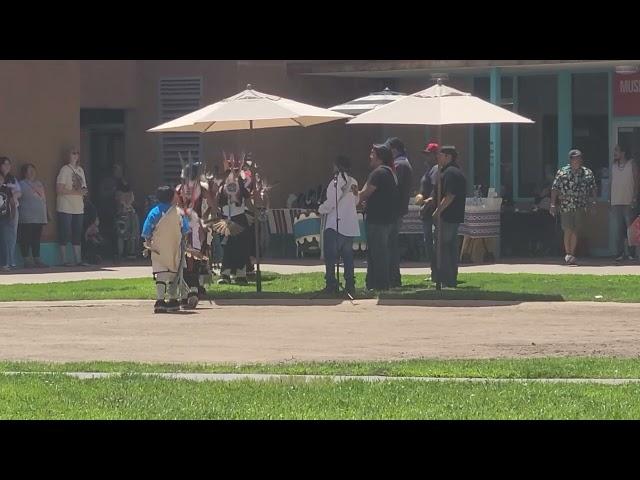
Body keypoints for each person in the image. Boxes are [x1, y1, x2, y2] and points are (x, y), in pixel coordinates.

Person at [142, 185, 190, 313]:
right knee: (174, 275)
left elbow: (147, 230)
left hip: (158, 248)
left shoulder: (154, 212)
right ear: (172, 197)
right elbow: (185, 229)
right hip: (175, 248)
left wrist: (147, 242)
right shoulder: (179, 212)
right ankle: (173, 300)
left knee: (161, 275)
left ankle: (160, 301)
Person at [357, 144, 399, 291]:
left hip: (377, 220)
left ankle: (380, 285)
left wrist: (352, 195)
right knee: (381, 252)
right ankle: (374, 284)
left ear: (380, 157)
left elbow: (364, 193)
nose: (370, 156)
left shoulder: (378, 173)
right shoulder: (390, 173)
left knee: (377, 254)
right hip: (388, 219)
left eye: (372, 153)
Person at [318, 155, 359, 296]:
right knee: (348, 258)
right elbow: (356, 201)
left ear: (337, 166)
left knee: (331, 258)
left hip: (335, 225)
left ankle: (331, 284)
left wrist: (320, 209)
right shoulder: (354, 182)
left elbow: (331, 203)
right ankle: (350, 285)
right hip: (350, 224)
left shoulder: (335, 182)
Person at [427, 146, 467, 288]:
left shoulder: (450, 173)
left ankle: (446, 279)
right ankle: (449, 279)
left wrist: (437, 211)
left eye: (440, 154)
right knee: (449, 248)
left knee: (442, 247)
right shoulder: (454, 171)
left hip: (447, 216)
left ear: (448, 156)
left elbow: (450, 196)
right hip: (452, 217)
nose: (437, 157)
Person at [550, 149, 597, 266]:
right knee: (568, 229)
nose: (578, 160)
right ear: (571, 160)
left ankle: (572, 254)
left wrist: (594, 202)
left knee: (576, 229)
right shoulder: (562, 172)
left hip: (580, 205)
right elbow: (554, 188)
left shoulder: (587, 172)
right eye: (576, 158)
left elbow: (593, 188)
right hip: (566, 205)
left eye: (580, 158)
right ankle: (568, 254)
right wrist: (552, 204)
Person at [217, 152, 251, 285]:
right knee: (227, 247)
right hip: (226, 219)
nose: (233, 173)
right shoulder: (221, 188)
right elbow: (216, 203)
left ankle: (241, 273)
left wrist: (256, 213)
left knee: (241, 247)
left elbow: (248, 203)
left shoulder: (242, 188)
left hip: (240, 218)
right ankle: (225, 273)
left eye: (236, 171)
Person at [385, 137, 413, 288]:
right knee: (391, 245)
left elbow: (393, 187)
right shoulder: (402, 163)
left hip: (394, 211)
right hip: (397, 210)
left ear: (394, 149)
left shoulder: (400, 165)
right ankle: (392, 278)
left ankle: (393, 278)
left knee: (390, 246)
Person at [56, 147, 89, 266]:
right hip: (65, 206)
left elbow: (83, 187)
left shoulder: (80, 170)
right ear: (68, 155)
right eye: (73, 153)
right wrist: (77, 193)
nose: (75, 155)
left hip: (78, 207)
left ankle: (78, 260)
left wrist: (84, 192)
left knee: (77, 233)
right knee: (64, 233)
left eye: (77, 153)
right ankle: (64, 260)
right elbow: (59, 189)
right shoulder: (64, 170)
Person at [610, 143, 639, 262]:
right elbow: (612, 183)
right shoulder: (613, 166)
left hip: (628, 201)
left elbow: (637, 181)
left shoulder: (632, 164)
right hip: (616, 201)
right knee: (618, 229)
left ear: (623, 153)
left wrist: (635, 197)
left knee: (630, 229)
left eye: (617, 150)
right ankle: (619, 253)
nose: (615, 152)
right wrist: (609, 200)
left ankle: (631, 253)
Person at [18, 163, 49, 268]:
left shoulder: (39, 183)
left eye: (33, 170)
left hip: (39, 217)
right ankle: (26, 259)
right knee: (26, 238)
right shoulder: (21, 184)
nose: (31, 173)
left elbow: (43, 199)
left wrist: (46, 214)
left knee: (36, 239)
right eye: (29, 170)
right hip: (26, 217)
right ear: (25, 173)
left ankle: (37, 259)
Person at [416, 143, 439, 274]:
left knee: (432, 243)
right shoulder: (428, 170)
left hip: (432, 212)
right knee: (428, 242)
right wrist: (420, 195)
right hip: (426, 211)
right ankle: (433, 271)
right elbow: (424, 189)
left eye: (428, 154)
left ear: (436, 155)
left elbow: (435, 191)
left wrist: (426, 202)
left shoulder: (436, 169)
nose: (426, 157)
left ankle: (436, 271)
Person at [0, 157, 21, 270]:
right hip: (2, 210)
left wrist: (14, 196)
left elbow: (19, 192)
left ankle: (11, 260)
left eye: (9, 164)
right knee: (3, 236)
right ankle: (4, 261)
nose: (7, 166)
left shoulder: (12, 179)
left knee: (12, 235)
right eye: (4, 164)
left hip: (12, 209)